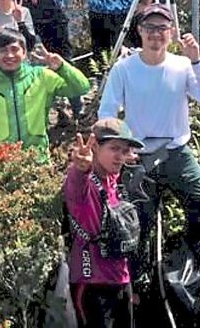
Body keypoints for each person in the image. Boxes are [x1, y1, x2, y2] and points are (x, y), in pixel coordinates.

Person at [97, 3, 200, 283]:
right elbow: (107, 113)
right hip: (137, 157)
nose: (156, 34)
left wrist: (197, 60)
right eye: (150, 28)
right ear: (139, 30)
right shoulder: (124, 69)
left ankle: (188, 259)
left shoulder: (182, 65)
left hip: (177, 153)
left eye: (162, 28)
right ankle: (138, 283)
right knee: (135, 225)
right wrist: (121, 149)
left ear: (171, 32)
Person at [63, 118, 144, 328]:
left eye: (124, 150)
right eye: (114, 149)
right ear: (95, 147)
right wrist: (79, 167)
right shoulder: (84, 183)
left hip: (121, 281)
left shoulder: (113, 181)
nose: (120, 156)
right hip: (92, 284)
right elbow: (76, 182)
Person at [0, 28, 89, 158]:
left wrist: (62, 67)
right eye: (3, 51)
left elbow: (81, 87)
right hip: (1, 163)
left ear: (24, 52)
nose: (9, 55)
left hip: (38, 160)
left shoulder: (41, 76)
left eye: (14, 49)